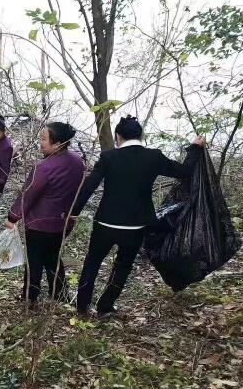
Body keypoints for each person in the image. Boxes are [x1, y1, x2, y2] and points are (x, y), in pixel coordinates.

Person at [71, 116, 206, 316]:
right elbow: (184, 171)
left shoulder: (109, 157)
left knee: (92, 264)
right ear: (140, 135)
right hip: (135, 226)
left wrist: (74, 212)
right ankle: (105, 307)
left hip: (105, 223)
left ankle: (82, 307)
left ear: (118, 136)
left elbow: (90, 185)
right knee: (123, 266)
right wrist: (194, 148)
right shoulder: (153, 157)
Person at [6, 122, 85, 303]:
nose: (40, 143)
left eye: (43, 139)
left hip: (39, 224)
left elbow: (28, 195)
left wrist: (12, 217)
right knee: (53, 258)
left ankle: (30, 296)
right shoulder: (77, 162)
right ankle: (60, 294)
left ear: (57, 144)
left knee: (34, 261)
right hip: (63, 223)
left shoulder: (44, 167)